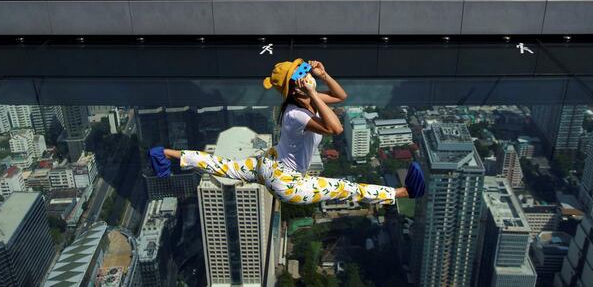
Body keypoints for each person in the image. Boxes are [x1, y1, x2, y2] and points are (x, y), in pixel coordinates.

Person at [149, 58, 425, 206]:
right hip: (287, 182)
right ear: (295, 87)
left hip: (270, 162)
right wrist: (314, 92)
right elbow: (336, 128)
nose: (307, 72)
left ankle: (164, 154)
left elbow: (341, 97)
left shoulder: (301, 101)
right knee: (345, 189)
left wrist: (324, 76)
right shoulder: (295, 113)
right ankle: (404, 193)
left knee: (224, 166)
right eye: (302, 72)